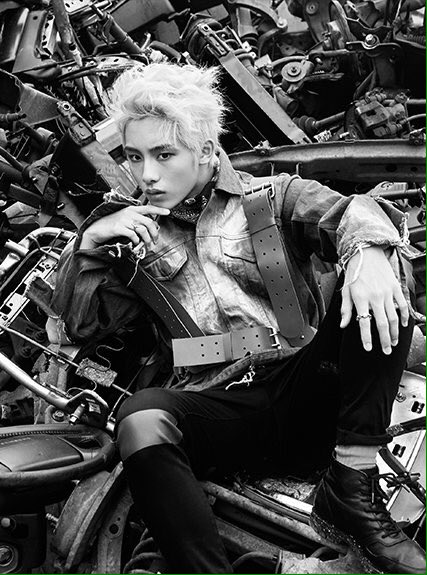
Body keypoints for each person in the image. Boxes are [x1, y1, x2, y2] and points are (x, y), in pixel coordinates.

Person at [49, 62, 425, 574]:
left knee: (380, 275)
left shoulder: (269, 199)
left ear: (206, 150)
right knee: (139, 417)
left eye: (163, 154)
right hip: (218, 410)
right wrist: (89, 244)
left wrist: (370, 255)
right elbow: (78, 326)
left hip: (306, 392)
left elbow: (353, 214)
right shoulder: (129, 233)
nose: (147, 175)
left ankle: (351, 486)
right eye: (134, 157)